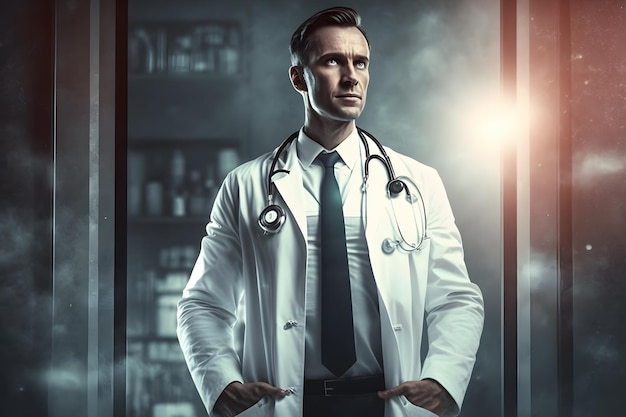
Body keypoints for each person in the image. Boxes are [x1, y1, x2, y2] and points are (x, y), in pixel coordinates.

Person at [177, 7, 484, 417]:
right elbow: (202, 303)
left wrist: (443, 377)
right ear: (299, 78)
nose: (351, 75)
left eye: (360, 62)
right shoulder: (246, 185)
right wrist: (221, 383)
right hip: (289, 403)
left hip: (385, 401)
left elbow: (455, 298)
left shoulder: (418, 183)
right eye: (332, 61)